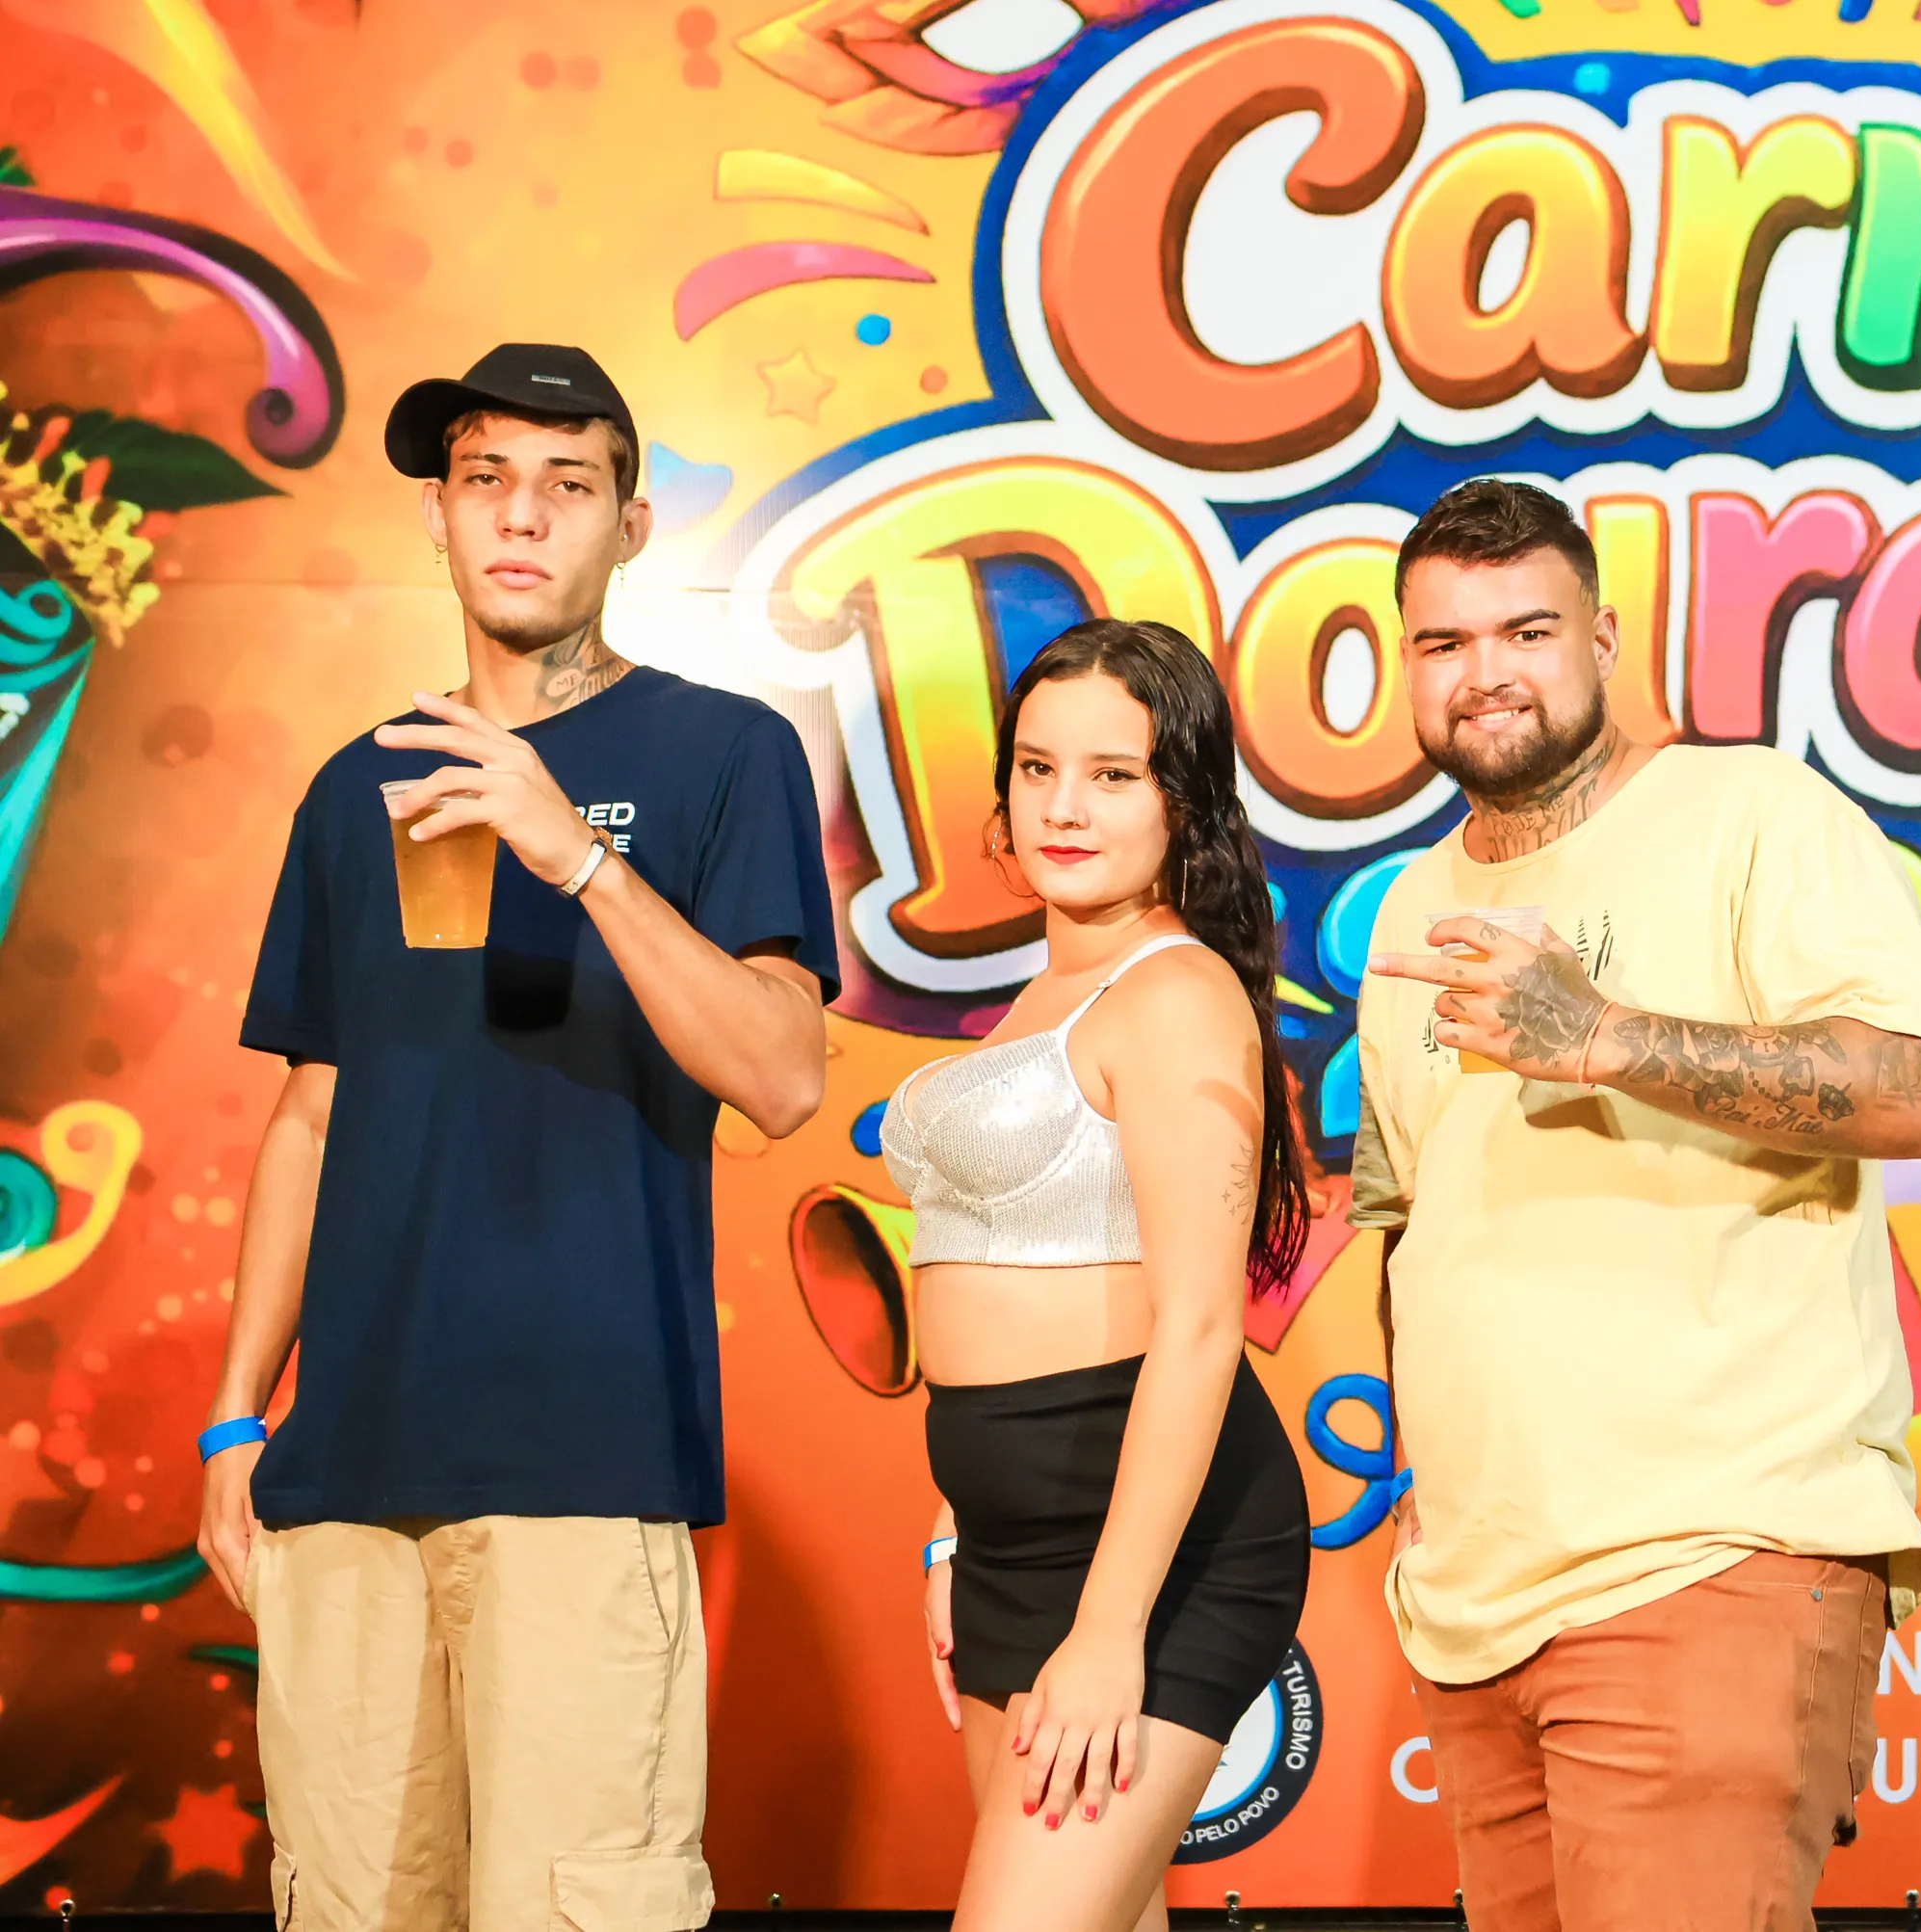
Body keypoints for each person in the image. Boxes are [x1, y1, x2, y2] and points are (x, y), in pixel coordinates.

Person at [195, 343, 839, 1932]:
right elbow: (313, 1110)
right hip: (343, 1479)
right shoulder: (354, 787)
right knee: (346, 1908)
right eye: (485, 479)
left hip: (580, 1468)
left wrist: (578, 857)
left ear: (631, 526)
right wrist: (231, 1421)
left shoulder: (723, 753)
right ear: (439, 516)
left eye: (569, 484)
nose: (522, 516)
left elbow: (783, 1076)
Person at [1354, 479, 1921, 1932]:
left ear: (1604, 640)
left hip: (1710, 1556)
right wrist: (1432, 1490)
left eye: (1527, 632)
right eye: (1444, 643)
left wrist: (1604, 1037)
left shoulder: (1751, 810)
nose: (1486, 673)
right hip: (1479, 1605)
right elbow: (1410, 1219)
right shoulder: (1408, 904)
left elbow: (1914, 1089)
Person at [882, 619, 1312, 1932]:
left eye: (1113, 775)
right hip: (1010, 1546)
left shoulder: (1174, 993)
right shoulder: (1040, 998)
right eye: (1037, 768)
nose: (1063, 807)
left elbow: (1200, 1328)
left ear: (1182, 800)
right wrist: (959, 1532)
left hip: (1154, 1555)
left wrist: (1113, 1627)